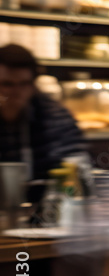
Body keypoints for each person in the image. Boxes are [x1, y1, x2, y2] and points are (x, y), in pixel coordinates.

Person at [0, 43, 86, 192]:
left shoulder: (55, 116)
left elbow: (76, 165)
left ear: (33, 84)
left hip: (45, 205)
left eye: (24, 84)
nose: (16, 92)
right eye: (7, 84)